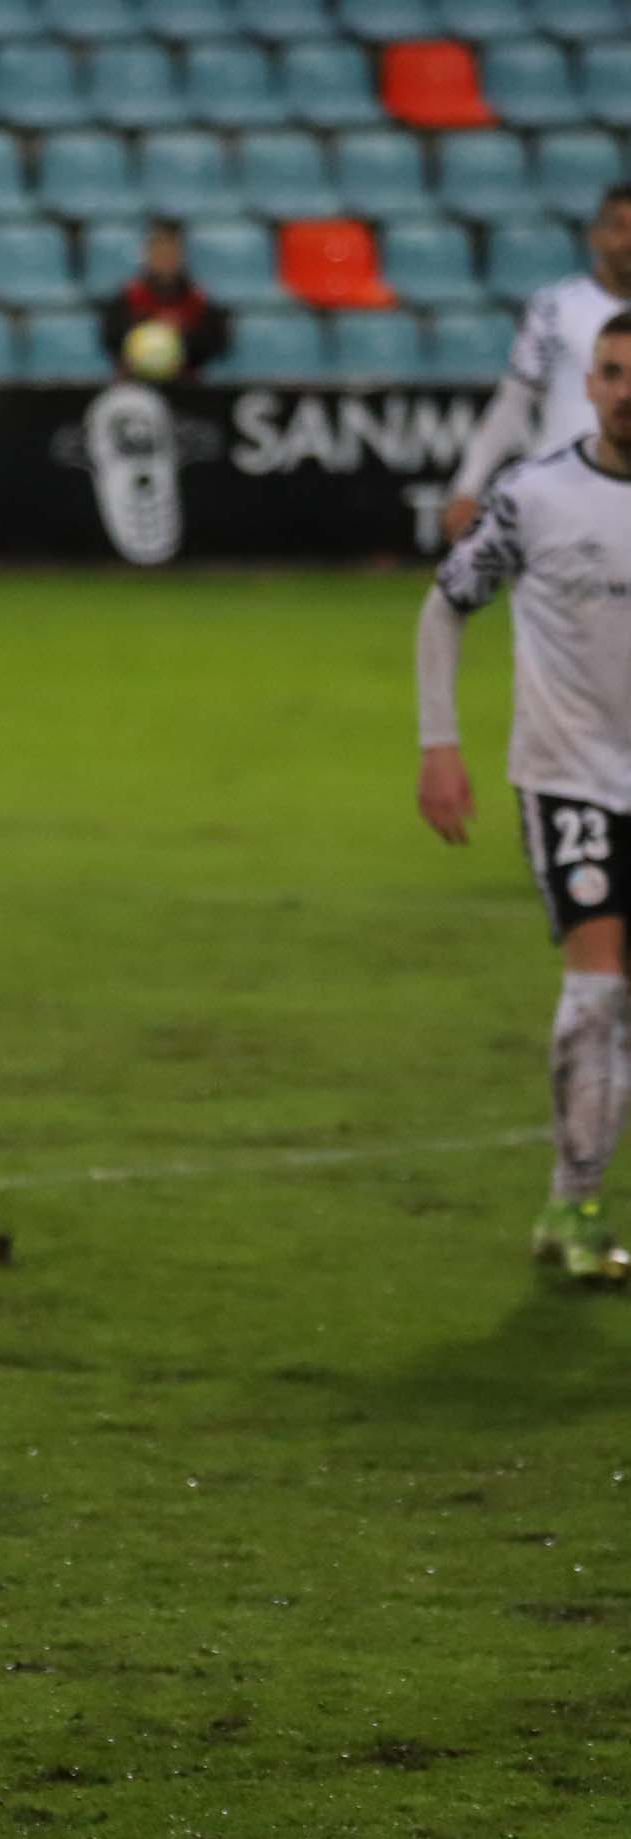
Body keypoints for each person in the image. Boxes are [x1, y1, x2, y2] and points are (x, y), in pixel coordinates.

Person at [416, 310, 631, 1281]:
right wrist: (440, 745)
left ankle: (569, 1199)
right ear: (587, 385)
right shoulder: (536, 495)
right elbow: (446, 606)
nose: (625, 391)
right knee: (597, 984)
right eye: (612, 372)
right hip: (569, 773)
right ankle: (575, 1203)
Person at [443, 182, 631, 548]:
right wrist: (468, 486)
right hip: (564, 498)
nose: (629, 241)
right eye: (619, 227)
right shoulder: (556, 308)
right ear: (595, 236)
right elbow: (514, 403)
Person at [96, 219, 235, 382]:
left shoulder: (199, 302)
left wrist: (180, 339)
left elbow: (216, 345)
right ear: (148, 253)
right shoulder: (126, 299)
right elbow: (111, 340)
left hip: (186, 385)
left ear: (181, 254)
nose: (165, 257)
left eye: (171, 249)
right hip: (135, 384)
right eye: (159, 249)